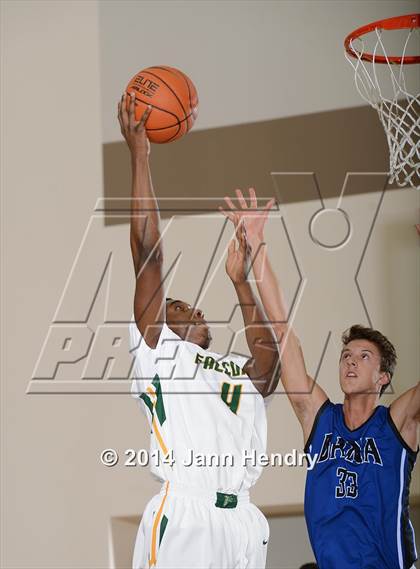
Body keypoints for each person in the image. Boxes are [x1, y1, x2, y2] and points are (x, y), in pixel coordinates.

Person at [118, 94, 280, 569]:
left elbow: (268, 366)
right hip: (186, 514)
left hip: (243, 520)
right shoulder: (158, 352)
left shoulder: (230, 368)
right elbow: (148, 251)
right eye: (178, 306)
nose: (192, 307)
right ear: (161, 324)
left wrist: (242, 282)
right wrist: (140, 155)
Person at [220, 188, 419, 569]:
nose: (350, 362)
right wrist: (258, 242)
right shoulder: (319, 417)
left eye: (363, 357)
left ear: (383, 377)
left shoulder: (397, 424)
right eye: (346, 355)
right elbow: (282, 332)